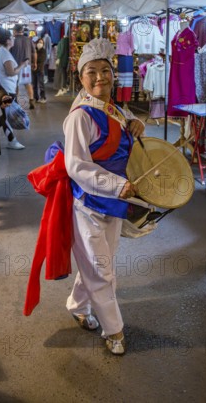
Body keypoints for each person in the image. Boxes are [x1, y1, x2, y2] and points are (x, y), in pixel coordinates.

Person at [63, 38, 144, 355]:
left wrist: (136, 125)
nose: (100, 77)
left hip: (114, 203)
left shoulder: (115, 109)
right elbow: (75, 165)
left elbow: (122, 148)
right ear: (81, 78)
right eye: (92, 72)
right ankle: (115, 331)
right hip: (90, 205)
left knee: (101, 263)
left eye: (106, 70)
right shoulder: (80, 117)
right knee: (102, 271)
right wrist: (115, 185)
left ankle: (77, 306)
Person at [0, 27, 29, 149]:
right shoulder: (5, 54)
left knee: (4, 115)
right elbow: (11, 72)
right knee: (5, 116)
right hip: (6, 90)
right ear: (8, 40)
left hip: (6, 89)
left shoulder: (4, 52)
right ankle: (11, 140)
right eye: (12, 38)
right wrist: (22, 65)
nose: (14, 39)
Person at [10, 24, 37, 110]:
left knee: (15, 84)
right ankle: (31, 100)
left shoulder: (12, 41)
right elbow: (34, 52)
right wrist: (35, 63)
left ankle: (15, 101)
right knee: (28, 83)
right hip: (27, 66)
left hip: (16, 66)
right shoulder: (29, 40)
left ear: (14, 31)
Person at [32, 37, 47, 103]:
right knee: (34, 85)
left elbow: (42, 59)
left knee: (41, 85)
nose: (40, 44)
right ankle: (36, 97)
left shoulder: (43, 51)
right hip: (33, 70)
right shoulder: (34, 50)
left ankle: (43, 97)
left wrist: (35, 60)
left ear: (43, 44)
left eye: (41, 42)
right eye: (39, 42)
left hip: (40, 69)